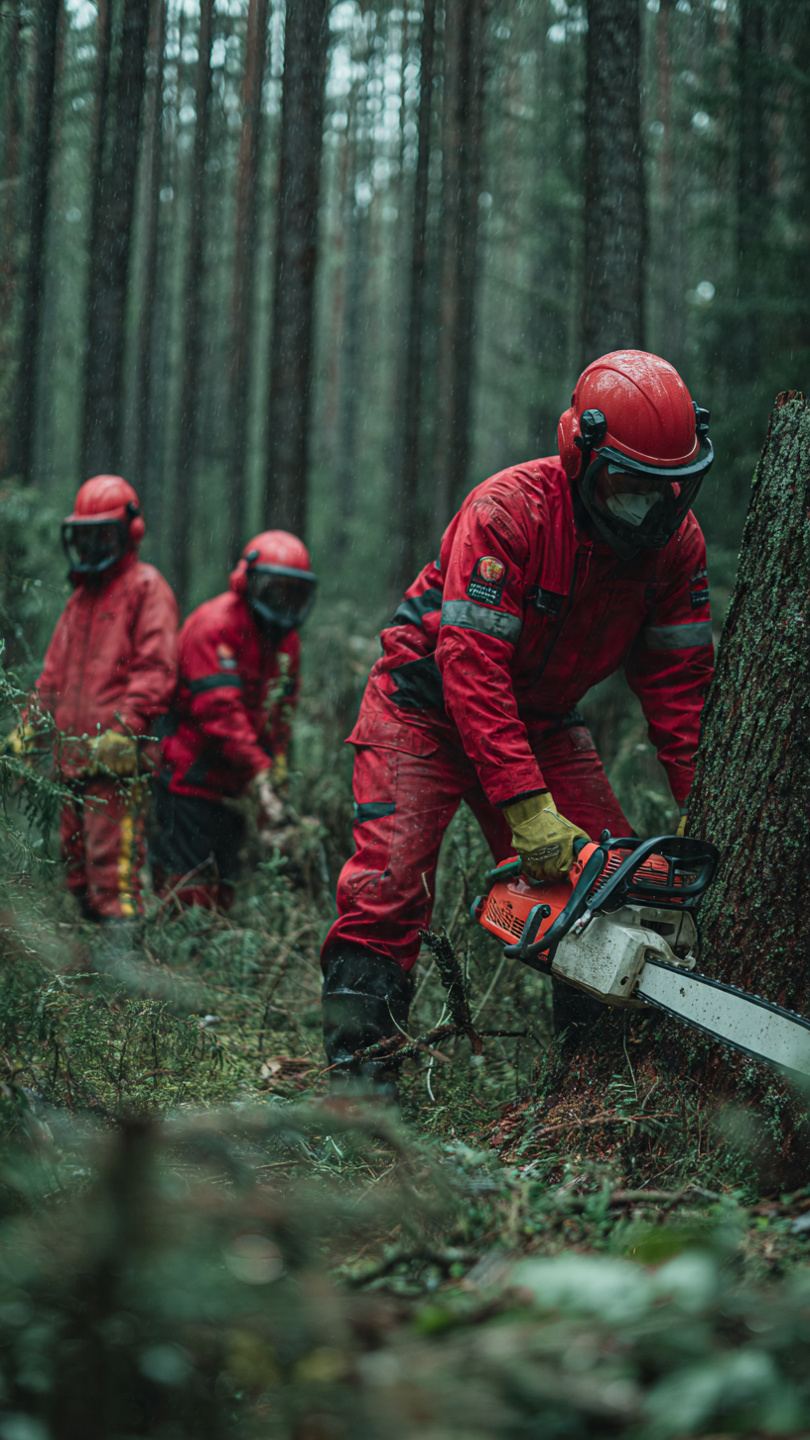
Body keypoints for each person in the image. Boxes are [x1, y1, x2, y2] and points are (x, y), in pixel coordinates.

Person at [322, 349, 715, 1084]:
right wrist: (528, 809)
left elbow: (680, 687)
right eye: (632, 490)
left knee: (611, 886)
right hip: (425, 705)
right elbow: (470, 668)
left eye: (671, 491)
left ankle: (591, 1080)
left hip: (541, 716)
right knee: (389, 881)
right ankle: (357, 1088)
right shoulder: (509, 511)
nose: (652, 511)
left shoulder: (674, 547)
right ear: (584, 457)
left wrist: (704, 799)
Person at [4, 475, 178, 924]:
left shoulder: (146, 587)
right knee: (76, 873)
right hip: (72, 762)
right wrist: (26, 731)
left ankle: (126, 981)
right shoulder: (80, 599)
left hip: (115, 766)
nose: (95, 546)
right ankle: (94, 974)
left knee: (112, 875)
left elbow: (156, 669)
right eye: (86, 536)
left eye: (104, 535)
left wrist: (124, 729)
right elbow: (52, 678)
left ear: (127, 533)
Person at [151, 530, 317, 910]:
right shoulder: (214, 625)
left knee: (225, 890)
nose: (283, 603)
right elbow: (219, 712)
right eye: (276, 590)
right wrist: (260, 771)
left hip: (235, 788)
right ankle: (169, 963)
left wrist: (273, 772)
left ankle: (208, 961)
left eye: (293, 592)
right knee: (186, 886)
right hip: (188, 779)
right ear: (252, 583)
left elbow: (282, 711)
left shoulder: (286, 641)